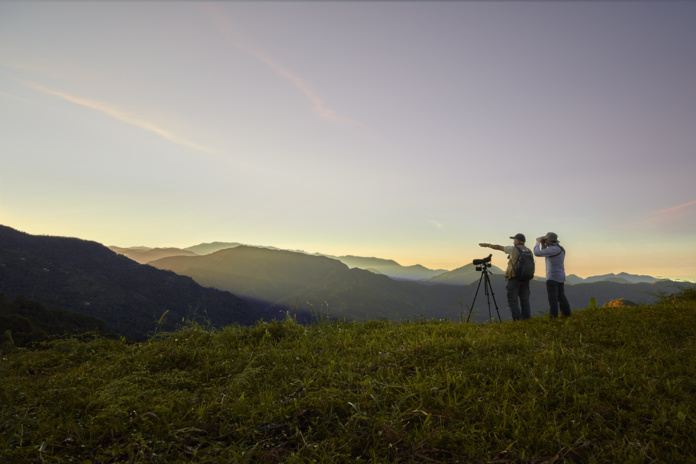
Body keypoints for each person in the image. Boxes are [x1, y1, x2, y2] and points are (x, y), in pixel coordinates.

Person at [478, 233, 531, 321]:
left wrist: (488, 245)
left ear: (518, 240)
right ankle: (527, 320)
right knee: (525, 301)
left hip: (514, 278)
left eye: (514, 239)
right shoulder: (529, 251)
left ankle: (518, 321)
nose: (513, 241)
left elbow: (499, 247)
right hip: (526, 278)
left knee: (513, 301)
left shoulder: (513, 249)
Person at [534, 232, 571, 317]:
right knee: (561, 296)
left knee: (553, 299)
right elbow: (545, 252)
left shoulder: (553, 249)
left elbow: (537, 253)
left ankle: (553, 316)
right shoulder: (560, 248)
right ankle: (566, 313)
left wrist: (538, 243)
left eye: (546, 239)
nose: (545, 241)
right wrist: (543, 244)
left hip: (552, 277)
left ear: (550, 240)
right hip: (560, 276)